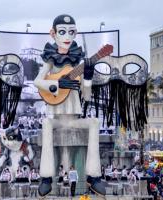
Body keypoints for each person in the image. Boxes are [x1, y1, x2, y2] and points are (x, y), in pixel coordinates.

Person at [34, 14, 108, 197]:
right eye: (62, 32)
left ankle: (94, 176)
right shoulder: (50, 58)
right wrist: (57, 85)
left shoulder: (78, 61)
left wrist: (88, 78)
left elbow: (87, 95)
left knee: (94, 123)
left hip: (74, 118)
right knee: (46, 124)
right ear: (53, 33)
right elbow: (37, 81)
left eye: (71, 32)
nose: (67, 36)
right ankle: (46, 177)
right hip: (57, 118)